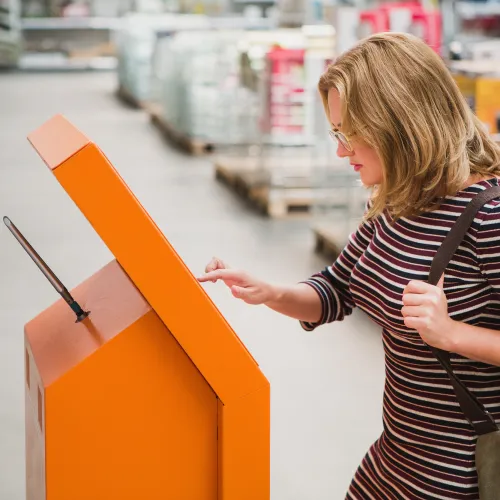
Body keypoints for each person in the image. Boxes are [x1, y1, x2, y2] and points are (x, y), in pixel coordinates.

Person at [197, 32, 500, 499]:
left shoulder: (488, 217)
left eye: (350, 134)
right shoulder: (397, 203)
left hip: (463, 479)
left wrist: (451, 333)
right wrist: (270, 292)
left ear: (401, 123)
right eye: (338, 133)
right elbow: (336, 290)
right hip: (394, 467)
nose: (342, 151)